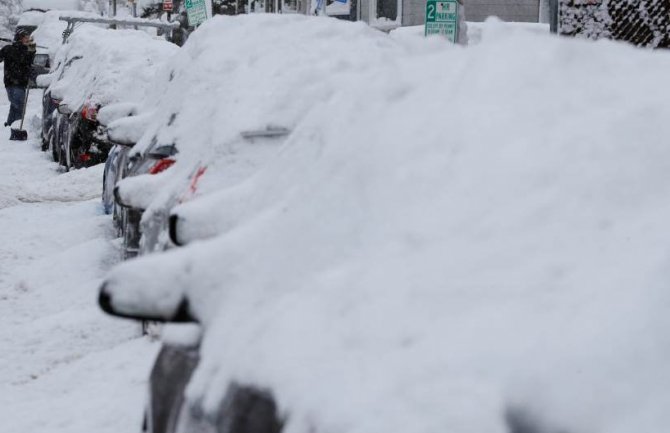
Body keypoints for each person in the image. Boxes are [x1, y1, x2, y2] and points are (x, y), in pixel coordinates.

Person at [0, 30, 36, 127]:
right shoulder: (11, 49)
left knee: (15, 106)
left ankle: (9, 124)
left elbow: (30, 62)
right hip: (14, 82)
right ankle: (16, 128)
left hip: (17, 82)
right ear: (20, 38)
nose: (28, 39)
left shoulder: (25, 50)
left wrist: (31, 46)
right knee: (19, 107)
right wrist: (29, 47)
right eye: (26, 38)